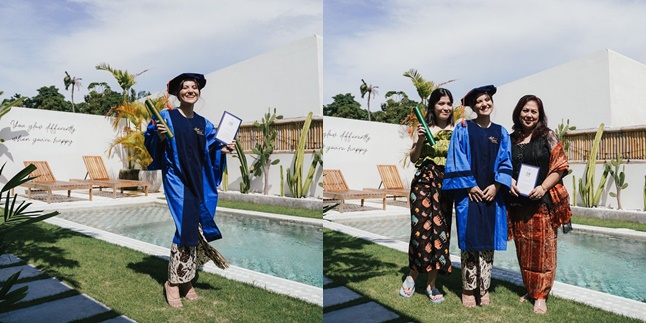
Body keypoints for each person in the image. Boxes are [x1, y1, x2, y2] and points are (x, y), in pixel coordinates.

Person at [144, 73, 235, 308]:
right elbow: (154, 142)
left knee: (194, 227)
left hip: (199, 179)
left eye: (194, 87)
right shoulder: (167, 116)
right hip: (177, 177)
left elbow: (211, 148)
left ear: (199, 93)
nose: (190, 91)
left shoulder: (204, 123)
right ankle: (174, 283)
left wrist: (222, 150)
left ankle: (185, 279)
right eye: (185, 88)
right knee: (186, 225)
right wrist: (161, 137)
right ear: (178, 93)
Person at [442, 85, 513, 307]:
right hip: (469, 195)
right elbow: (457, 158)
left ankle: (484, 289)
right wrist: (470, 186)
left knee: (487, 243)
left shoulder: (501, 132)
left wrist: (496, 186)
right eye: (479, 101)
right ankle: (468, 289)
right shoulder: (463, 129)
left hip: (493, 194)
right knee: (470, 241)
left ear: (491, 102)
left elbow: (506, 161)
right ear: (473, 106)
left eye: (487, 100)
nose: (484, 104)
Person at [507, 94, 570, 315]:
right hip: (518, 204)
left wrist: (543, 187)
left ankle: (541, 295)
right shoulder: (511, 138)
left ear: (539, 115)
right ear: (518, 112)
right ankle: (530, 289)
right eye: (525, 110)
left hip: (542, 202)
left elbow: (560, 166)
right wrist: (511, 181)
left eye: (534, 111)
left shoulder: (547, 136)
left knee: (543, 250)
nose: (529, 115)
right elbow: (502, 166)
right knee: (524, 250)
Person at [400, 88, 455, 303]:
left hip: (446, 185)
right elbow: (414, 158)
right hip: (423, 182)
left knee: (440, 234)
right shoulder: (422, 128)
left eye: (448, 103)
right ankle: (413, 275)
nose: (446, 107)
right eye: (441, 103)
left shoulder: (457, 129)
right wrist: (421, 140)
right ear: (433, 106)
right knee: (420, 231)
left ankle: (432, 285)